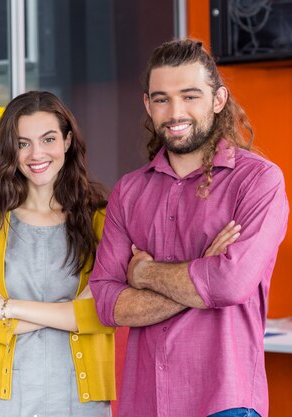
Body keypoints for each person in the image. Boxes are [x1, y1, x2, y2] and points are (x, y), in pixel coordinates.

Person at [89, 39, 289, 417]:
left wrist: (145, 273)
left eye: (190, 96)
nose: (175, 111)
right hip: (143, 402)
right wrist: (202, 272)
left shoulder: (258, 182)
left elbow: (230, 284)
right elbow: (107, 304)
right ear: (148, 105)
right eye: (162, 98)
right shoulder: (129, 191)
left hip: (225, 401)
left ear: (218, 100)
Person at [0, 91, 116, 417]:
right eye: (23, 143)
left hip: (82, 396)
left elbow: (102, 314)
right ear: (10, 150)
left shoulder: (101, 218)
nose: (36, 153)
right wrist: (71, 314)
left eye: (48, 139)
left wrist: (4, 307)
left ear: (68, 141)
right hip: (7, 398)